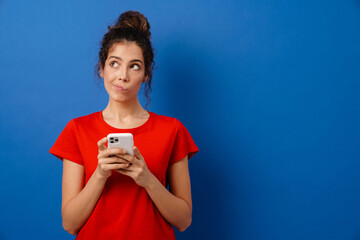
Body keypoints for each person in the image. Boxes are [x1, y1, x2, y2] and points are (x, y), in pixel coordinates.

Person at [49, 10, 199, 240]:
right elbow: (70, 224)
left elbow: (184, 221)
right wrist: (100, 174)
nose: (123, 76)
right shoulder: (77, 130)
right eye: (115, 64)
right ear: (102, 68)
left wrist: (147, 179)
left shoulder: (172, 130)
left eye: (135, 66)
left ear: (146, 74)